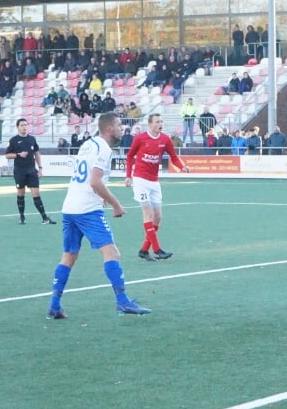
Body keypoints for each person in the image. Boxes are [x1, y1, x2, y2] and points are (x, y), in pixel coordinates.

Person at [46, 112, 150, 319]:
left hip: (69, 207)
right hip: (87, 210)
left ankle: (54, 305)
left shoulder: (88, 144)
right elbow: (94, 181)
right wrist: (116, 204)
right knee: (111, 253)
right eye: (120, 125)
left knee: (69, 255)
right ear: (110, 129)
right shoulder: (103, 148)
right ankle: (122, 301)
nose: (123, 129)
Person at [125, 113, 190, 261]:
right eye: (157, 122)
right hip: (140, 179)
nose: (160, 124)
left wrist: (182, 167)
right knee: (148, 213)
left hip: (154, 181)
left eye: (161, 121)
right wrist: (128, 176)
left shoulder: (165, 139)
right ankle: (157, 249)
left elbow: (173, 157)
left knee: (158, 217)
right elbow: (130, 156)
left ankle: (144, 249)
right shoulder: (140, 138)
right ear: (150, 124)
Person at [5, 118, 56, 225]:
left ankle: (44, 218)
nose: (24, 127)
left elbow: (37, 153)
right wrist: (18, 154)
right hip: (19, 171)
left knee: (36, 194)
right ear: (18, 127)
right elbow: (7, 155)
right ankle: (22, 217)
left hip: (32, 171)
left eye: (26, 125)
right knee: (20, 193)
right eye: (22, 125)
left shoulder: (32, 139)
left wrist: (40, 168)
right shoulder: (13, 140)